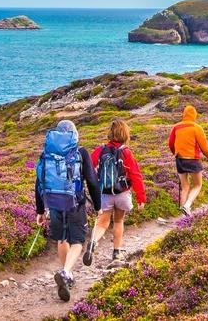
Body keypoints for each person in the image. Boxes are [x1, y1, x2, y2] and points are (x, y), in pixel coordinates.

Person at [34, 120, 101, 302]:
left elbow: (39, 183)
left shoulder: (46, 154)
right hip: (75, 204)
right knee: (78, 241)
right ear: (74, 134)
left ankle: (67, 275)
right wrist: (98, 205)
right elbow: (92, 182)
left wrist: (40, 210)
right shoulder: (80, 152)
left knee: (62, 239)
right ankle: (65, 272)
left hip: (54, 204)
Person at [83, 119, 146, 265]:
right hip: (122, 193)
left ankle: (93, 243)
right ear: (125, 134)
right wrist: (141, 197)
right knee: (118, 221)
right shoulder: (126, 152)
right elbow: (136, 175)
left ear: (110, 134)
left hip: (104, 193)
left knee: (102, 223)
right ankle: (116, 253)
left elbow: (88, 170)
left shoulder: (100, 150)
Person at [168, 105, 208, 216]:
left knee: (185, 187)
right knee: (197, 185)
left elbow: (170, 143)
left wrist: (176, 153)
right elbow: (204, 147)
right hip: (192, 160)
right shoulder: (196, 127)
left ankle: (182, 216)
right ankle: (187, 205)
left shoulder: (176, 127)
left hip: (179, 159)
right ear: (194, 115)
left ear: (184, 114)